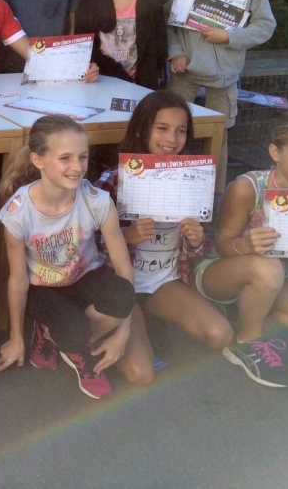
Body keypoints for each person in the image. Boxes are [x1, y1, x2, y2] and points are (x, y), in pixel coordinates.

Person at [0, 116, 136, 399]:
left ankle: (64, 340)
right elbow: (17, 280)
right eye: (65, 158)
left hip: (83, 277)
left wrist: (124, 330)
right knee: (74, 330)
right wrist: (16, 337)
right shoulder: (18, 213)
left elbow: (123, 268)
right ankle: (73, 346)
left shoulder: (97, 201)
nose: (78, 167)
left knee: (123, 296)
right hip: (42, 288)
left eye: (83, 157)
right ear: (38, 160)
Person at [93, 92, 234, 379]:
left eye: (181, 131)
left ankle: (149, 317)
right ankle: (117, 325)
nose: (172, 139)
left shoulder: (192, 178)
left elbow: (201, 246)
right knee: (141, 375)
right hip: (120, 284)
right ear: (140, 130)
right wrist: (125, 237)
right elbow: (83, 242)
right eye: (162, 128)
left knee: (220, 334)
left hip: (163, 283)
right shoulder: (115, 179)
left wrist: (196, 240)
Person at [165, 0, 276, 194]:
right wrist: (175, 52)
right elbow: (167, 22)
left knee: (219, 138)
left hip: (225, 75)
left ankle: (215, 198)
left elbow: (265, 25)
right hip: (185, 70)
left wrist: (230, 37)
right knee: (172, 134)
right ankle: (170, 191)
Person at [198, 111, 288, 387]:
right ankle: (246, 340)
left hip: (274, 278)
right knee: (267, 267)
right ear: (275, 153)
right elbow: (222, 245)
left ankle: (252, 312)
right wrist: (246, 244)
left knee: (272, 272)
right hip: (218, 273)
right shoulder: (248, 187)